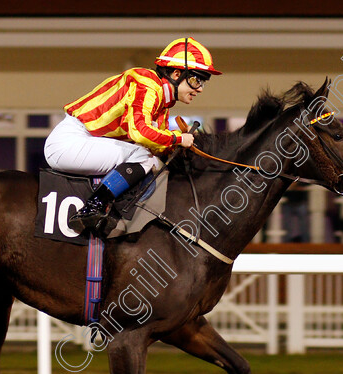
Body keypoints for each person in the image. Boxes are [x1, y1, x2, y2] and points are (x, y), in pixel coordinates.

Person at [44, 37, 221, 234]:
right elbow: (140, 132)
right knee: (142, 157)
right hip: (70, 142)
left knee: (151, 160)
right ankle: (93, 206)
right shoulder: (146, 83)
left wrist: (176, 141)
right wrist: (178, 138)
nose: (200, 89)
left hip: (84, 141)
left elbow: (155, 145)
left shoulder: (163, 104)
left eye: (205, 82)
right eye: (197, 80)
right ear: (176, 73)